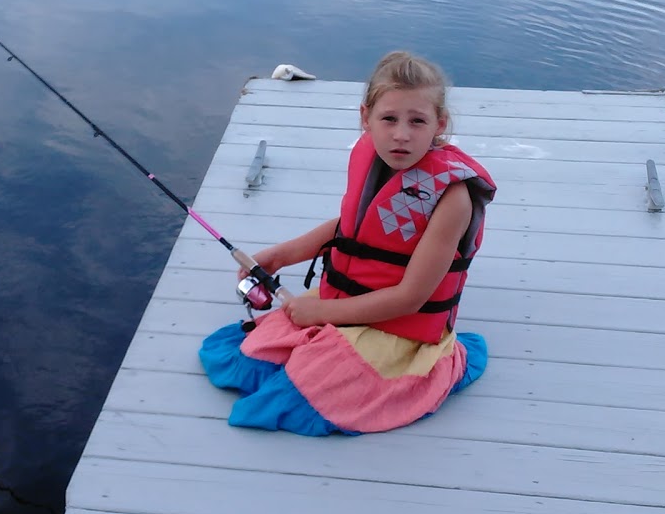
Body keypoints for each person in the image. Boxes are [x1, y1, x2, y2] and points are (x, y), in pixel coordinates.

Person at [200, 51, 496, 435]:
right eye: (388, 119)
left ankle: (439, 366)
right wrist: (281, 255)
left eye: (417, 121)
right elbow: (353, 229)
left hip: (399, 329)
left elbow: (410, 298)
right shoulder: (375, 160)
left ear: (439, 124)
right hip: (347, 304)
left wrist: (322, 313)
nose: (401, 134)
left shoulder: (452, 199)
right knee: (251, 356)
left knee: (305, 389)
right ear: (365, 118)